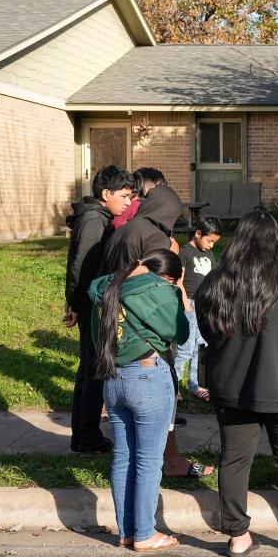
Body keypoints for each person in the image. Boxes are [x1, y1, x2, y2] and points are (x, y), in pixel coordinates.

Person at [195, 210, 278, 557]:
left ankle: (238, 537)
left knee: (235, 460)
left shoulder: (217, 280)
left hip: (230, 383)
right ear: (275, 240)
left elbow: (207, 329)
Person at [102, 182, 214, 479]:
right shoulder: (153, 236)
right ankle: (172, 462)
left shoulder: (123, 230)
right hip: (149, 337)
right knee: (161, 412)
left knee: (125, 452)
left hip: (119, 334)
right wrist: (179, 298)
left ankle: (165, 462)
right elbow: (162, 286)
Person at [89, 249, 189, 552]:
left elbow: (97, 335)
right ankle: (145, 534)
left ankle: (126, 532)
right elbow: (181, 332)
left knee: (123, 457)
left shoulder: (105, 286)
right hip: (147, 376)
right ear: (167, 276)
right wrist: (178, 291)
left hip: (112, 377)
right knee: (147, 460)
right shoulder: (158, 290)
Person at [63, 165, 134, 453]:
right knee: (93, 372)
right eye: (124, 196)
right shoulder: (95, 220)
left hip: (88, 303)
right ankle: (87, 437)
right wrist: (78, 304)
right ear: (106, 194)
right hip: (91, 305)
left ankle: (82, 436)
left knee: (89, 370)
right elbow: (82, 266)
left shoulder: (97, 216)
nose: (128, 202)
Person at [176, 217, 223, 400]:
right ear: (198, 234)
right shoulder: (184, 252)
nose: (211, 246)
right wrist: (185, 303)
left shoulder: (209, 254)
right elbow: (178, 280)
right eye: (209, 240)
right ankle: (175, 383)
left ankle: (195, 384)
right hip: (189, 303)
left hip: (204, 305)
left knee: (200, 346)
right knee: (186, 348)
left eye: (214, 242)